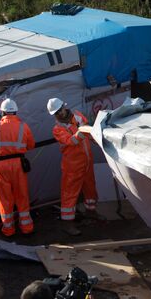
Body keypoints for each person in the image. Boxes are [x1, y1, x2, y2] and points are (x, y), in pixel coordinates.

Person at [0, 99, 35, 237]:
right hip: (18, 164)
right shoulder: (24, 126)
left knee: (5, 198)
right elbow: (31, 146)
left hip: (1, 166)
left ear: (3, 112)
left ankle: (8, 229)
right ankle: (27, 227)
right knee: (22, 195)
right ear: (16, 111)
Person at [47, 98, 99, 236]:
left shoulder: (78, 116)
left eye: (59, 110)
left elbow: (90, 134)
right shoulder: (57, 129)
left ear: (65, 106)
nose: (59, 114)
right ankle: (67, 224)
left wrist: (98, 140)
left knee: (90, 189)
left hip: (87, 161)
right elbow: (72, 141)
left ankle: (91, 213)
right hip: (72, 166)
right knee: (69, 193)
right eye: (55, 113)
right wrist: (84, 130)